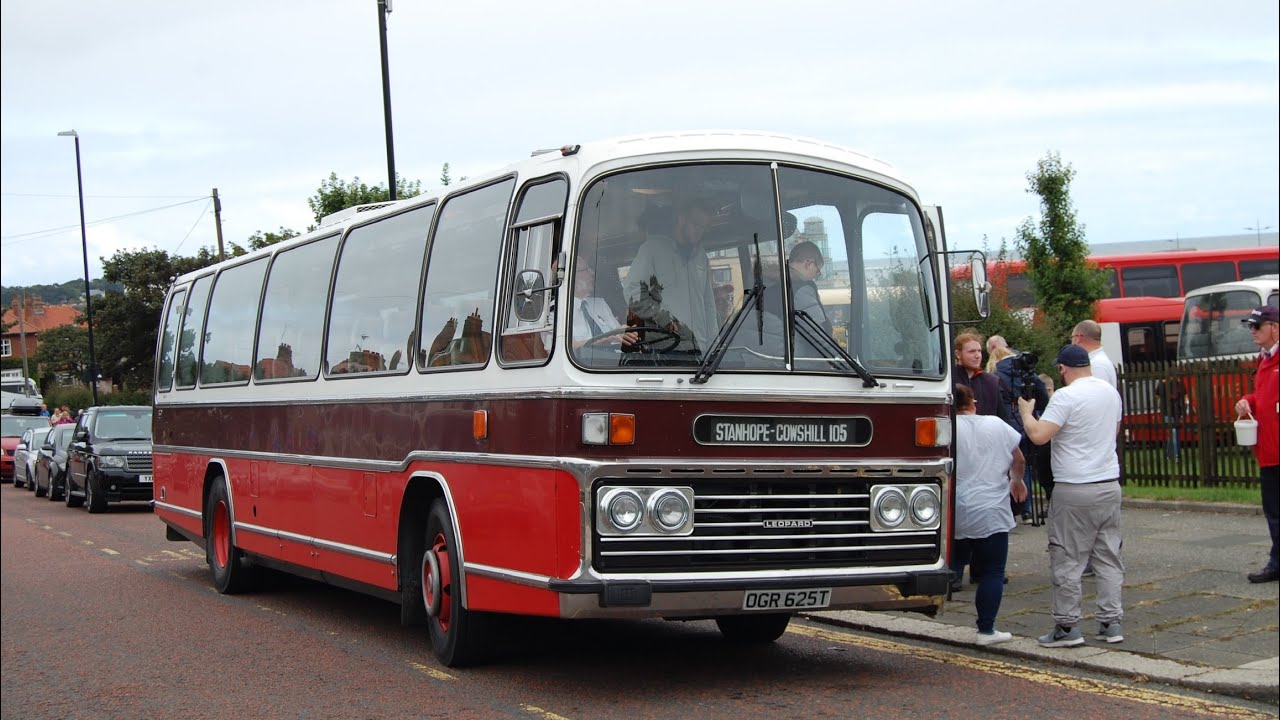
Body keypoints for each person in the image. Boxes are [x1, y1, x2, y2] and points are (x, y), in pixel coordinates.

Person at [1018, 344, 1124, 647]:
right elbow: (1113, 431)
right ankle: (1111, 622)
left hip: (1074, 486)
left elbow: (1039, 435)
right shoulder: (1109, 393)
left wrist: (1027, 413)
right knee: (1108, 556)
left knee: (1067, 557)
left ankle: (1067, 627)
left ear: (1063, 369)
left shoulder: (1065, 396)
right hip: (1108, 484)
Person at [953, 384, 1027, 646]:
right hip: (991, 509)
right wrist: (1016, 481)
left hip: (956, 509)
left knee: (952, 565)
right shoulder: (996, 424)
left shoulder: (946, 427)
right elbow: (1018, 458)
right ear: (973, 402)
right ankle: (986, 630)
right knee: (993, 571)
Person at [950, 332, 1012, 591]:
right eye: (971, 351)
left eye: (979, 351)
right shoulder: (951, 379)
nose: (977, 355)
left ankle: (981, 569)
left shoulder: (990, 380)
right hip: (962, 446)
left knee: (987, 513)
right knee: (959, 513)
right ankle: (954, 571)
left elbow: (1001, 412)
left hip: (986, 448)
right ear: (958, 355)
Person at [623, 196, 720, 353]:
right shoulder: (652, 250)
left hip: (700, 350)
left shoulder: (701, 257)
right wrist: (663, 319)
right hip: (668, 349)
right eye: (696, 224)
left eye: (704, 227)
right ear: (681, 219)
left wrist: (714, 346)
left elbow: (708, 303)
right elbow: (632, 292)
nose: (699, 231)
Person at [1234, 305, 1279, 584]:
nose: (1252, 331)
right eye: (1250, 326)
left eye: (1257, 326)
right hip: (1268, 450)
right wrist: (1248, 401)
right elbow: (1262, 396)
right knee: (1274, 512)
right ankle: (1277, 561)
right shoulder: (1264, 360)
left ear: (1274, 327)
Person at [572, 257, 638, 351]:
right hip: (583, 364)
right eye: (586, 269)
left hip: (617, 359)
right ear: (572, 275)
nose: (592, 273)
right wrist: (608, 339)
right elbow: (566, 348)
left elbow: (617, 333)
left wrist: (624, 331)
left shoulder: (600, 303)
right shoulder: (556, 312)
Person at [787, 241, 831, 334]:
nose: (815, 277)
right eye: (817, 272)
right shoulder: (801, 290)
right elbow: (820, 338)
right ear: (809, 264)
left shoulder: (772, 284)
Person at [1071, 320, 1117, 389]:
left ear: (1078, 338)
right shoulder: (1098, 361)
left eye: (1072, 337)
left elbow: (1095, 396)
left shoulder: (1096, 366)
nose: (1071, 342)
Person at [1155, 377, 1188, 461]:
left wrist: (1185, 408)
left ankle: (1169, 454)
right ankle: (1176, 455)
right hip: (1167, 412)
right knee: (1173, 433)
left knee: (1173, 434)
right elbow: (1157, 396)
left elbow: (1185, 396)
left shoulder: (1180, 384)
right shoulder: (1162, 384)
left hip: (1177, 411)